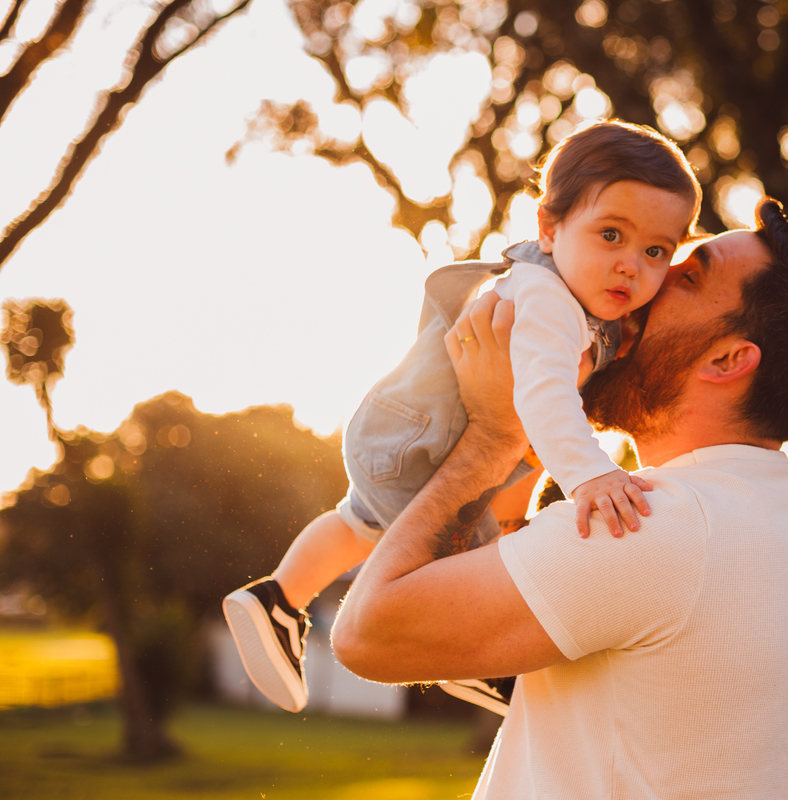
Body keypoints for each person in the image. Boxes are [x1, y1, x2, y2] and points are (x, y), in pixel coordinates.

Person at [331, 197, 788, 799]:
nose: (638, 281)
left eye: (684, 276)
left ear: (727, 360)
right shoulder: (765, 527)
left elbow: (368, 633)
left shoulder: (656, 527)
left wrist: (495, 435)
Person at [222, 121, 701, 713]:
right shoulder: (548, 303)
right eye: (611, 235)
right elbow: (544, 400)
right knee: (456, 560)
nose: (632, 265)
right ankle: (460, 657)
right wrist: (591, 474)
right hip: (426, 445)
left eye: (656, 251)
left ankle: (276, 596)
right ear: (549, 230)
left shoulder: (566, 293)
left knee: (363, 522)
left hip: (403, 435)